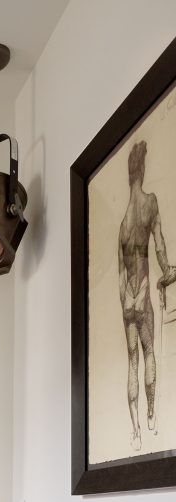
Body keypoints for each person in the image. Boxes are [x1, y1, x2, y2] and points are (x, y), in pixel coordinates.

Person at [118, 139, 176, 450]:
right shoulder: (150, 203)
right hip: (143, 297)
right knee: (149, 353)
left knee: (131, 361)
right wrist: (168, 272)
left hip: (127, 301)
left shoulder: (123, 224)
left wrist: (127, 302)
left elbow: (118, 276)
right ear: (142, 168)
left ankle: (136, 430)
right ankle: (151, 414)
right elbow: (160, 247)